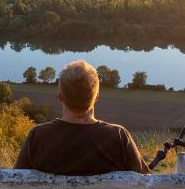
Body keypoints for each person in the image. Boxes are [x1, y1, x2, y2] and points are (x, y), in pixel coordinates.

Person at [15, 60, 150, 175]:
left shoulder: (38, 137)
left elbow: (15, 183)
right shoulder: (119, 137)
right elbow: (145, 182)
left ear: (60, 97)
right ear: (96, 97)